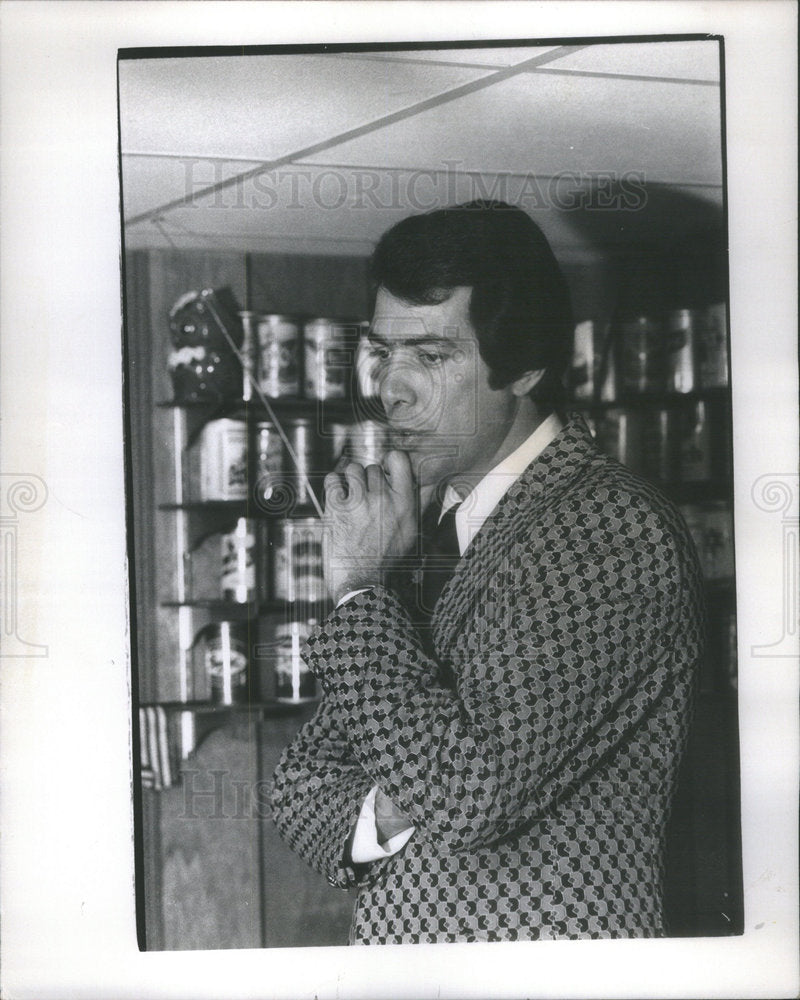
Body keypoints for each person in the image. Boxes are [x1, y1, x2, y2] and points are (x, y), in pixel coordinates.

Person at [269, 200, 704, 945]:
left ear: (525, 367)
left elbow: (465, 797)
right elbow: (298, 791)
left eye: (432, 356)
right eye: (384, 352)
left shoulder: (610, 528)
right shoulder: (420, 534)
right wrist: (389, 808)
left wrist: (360, 589)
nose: (391, 389)